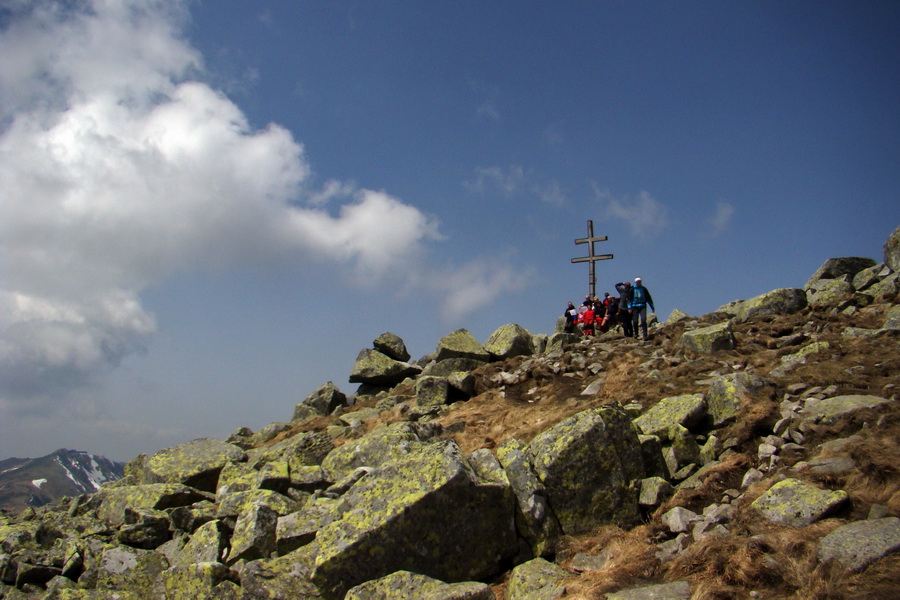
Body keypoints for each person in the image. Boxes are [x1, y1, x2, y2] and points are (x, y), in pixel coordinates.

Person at [629, 276, 655, 341]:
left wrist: (652, 306)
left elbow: (648, 298)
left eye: (639, 281)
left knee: (643, 320)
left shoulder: (644, 289)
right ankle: (636, 334)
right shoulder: (632, 289)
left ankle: (645, 335)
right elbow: (629, 299)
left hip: (643, 305)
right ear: (635, 282)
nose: (638, 282)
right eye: (637, 281)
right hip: (635, 306)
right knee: (635, 321)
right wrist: (629, 308)